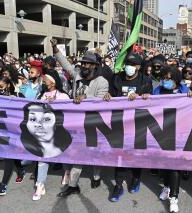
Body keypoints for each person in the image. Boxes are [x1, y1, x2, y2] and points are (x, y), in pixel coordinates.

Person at [52, 39, 110, 197]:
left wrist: (86, 97)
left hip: (94, 124)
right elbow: (65, 65)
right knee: (79, 153)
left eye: (87, 64)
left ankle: (96, 176)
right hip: (76, 123)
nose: (84, 66)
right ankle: (73, 185)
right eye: (83, 63)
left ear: (94, 66)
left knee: (95, 153)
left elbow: (100, 104)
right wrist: (55, 48)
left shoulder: (101, 82)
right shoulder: (77, 75)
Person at [108, 52, 152, 202]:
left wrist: (143, 97)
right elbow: (111, 94)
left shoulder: (145, 81)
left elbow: (154, 103)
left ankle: (135, 178)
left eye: (133, 65)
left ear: (138, 67)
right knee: (120, 154)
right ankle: (118, 185)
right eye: (128, 64)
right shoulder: (116, 78)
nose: (129, 67)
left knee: (135, 153)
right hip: (119, 122)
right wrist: (108, 95)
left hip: (138, 124)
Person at [21, 71, 72, 201]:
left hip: (58, 131)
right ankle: (40, 184)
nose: (44, 81)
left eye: (46, 79)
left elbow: (69, 111)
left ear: (53, 81)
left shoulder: (63, 96)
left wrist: (56, 103)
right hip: (44, 133)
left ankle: (67, 172)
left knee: (63, 154)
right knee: (42, 157)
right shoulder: (42, 95)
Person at [153, 66, 190, 213]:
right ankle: (167, 187)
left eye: (169, 78)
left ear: (176, 79)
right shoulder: (157, 90)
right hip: (162, 132)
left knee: (175, 165)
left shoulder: (184, 90)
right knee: (164, 163)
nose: (166, 80)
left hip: (180, 133)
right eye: (164, 77)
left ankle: (174, 197)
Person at [0, 77, 26, 196]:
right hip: (3, 131)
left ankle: (3, 185)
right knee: (10, 155)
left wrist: (17, 101)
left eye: (1, 87)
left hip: (16, 131)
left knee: (8, 156)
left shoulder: (18, 94)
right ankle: (21, 171)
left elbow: (27, 108)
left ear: (8, 85)